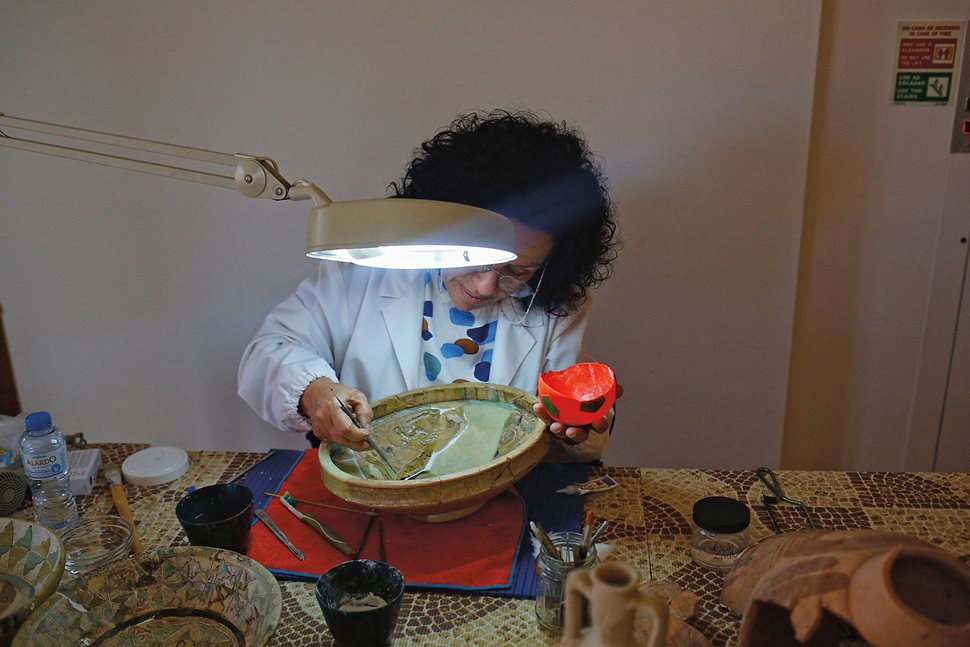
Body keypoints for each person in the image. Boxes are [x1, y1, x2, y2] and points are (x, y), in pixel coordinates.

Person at [238, 109, 621, 462]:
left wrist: (578, 429)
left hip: (494, 497)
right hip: (373, 484)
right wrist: (314, 392)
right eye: (475, 259)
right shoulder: (366, 268)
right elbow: (267, 353)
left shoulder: (557, 302)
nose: (486, 286)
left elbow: (575, 443)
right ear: (443, 224)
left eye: (517, 271)